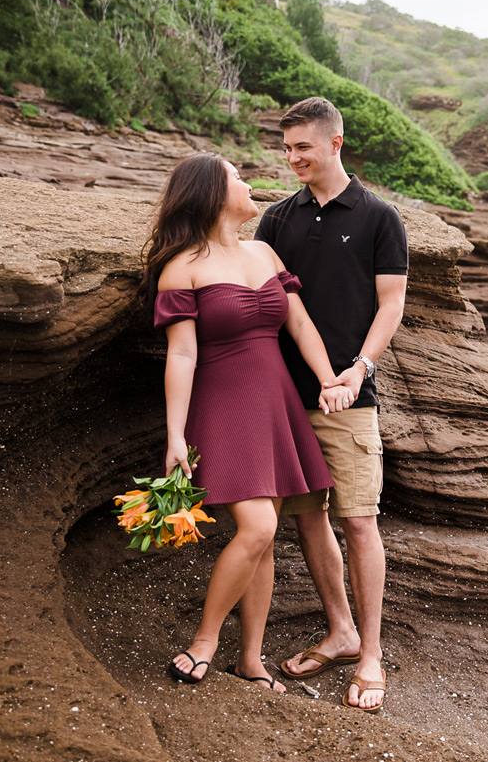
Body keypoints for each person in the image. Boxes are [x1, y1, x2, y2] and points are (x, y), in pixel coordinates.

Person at [140, 152, 355, 693]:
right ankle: (206, 641)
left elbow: (300, 324)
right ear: (212, 193)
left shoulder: (264, 252)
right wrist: (175, 435)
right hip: (224, 403)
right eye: (238, 177)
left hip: (276, 401)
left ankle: (251, 660)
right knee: (257, 527)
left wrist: (330, 380)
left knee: (263, 536)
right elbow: (182, 356)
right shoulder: (182, 266)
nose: (249, 182)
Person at [255, 97, 408, 713]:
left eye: (303, 148)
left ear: (335, 144)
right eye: (287, 148)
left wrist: (358, 369)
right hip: (286, 396)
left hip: (352, 398)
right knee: (307, 517)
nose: (292, 158)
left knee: (359, 519)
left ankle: (369, 653)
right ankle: (340, 631)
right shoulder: (276, 219)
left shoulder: (378, 217)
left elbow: (391, 304)